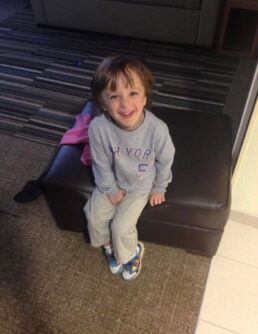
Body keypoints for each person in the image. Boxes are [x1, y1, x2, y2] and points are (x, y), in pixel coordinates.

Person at [84, 55, 175, 281]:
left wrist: (159, 187)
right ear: (103, 103)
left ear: (145, 97)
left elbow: (166, 159)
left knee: (120, 227)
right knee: (93, 216)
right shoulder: (98, 127)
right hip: (112, 180)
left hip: (140, 184)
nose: (125, 104)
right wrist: (110, 188)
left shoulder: (157, 130)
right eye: (115, 96)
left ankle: (131, 253)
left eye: (133, 93)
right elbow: (100, 162)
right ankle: (110, 249)